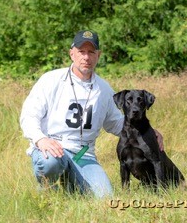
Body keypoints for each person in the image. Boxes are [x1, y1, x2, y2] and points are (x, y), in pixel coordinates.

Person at [20, 30, 164, 198]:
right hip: (53, 147)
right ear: (71, 53)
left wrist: (149, 133)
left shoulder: (103, 89)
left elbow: (117, 123)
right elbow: (28, 116)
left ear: (98, 55)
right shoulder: (50, 80)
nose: (86, 57)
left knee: (105, 197)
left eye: (91, 52)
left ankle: (71, 182)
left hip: (82, 154)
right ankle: (46, 193)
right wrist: (41, 139)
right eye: (81, 52)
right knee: (49, 164)